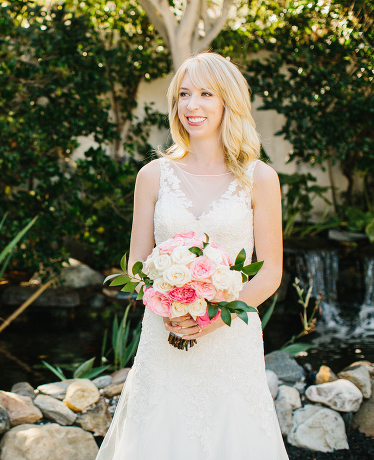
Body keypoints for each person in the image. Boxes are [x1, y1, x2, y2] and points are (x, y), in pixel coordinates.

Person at [95, 53, 288, 459]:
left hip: (231, 337)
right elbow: (136, 265)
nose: (191, 105)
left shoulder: (260, 178)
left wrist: (215, 315)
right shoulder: (153, 175)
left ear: (227, 102)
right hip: (165, 332)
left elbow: (270, 271)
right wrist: (165, 302)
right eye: (183, 94)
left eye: (204, 94)